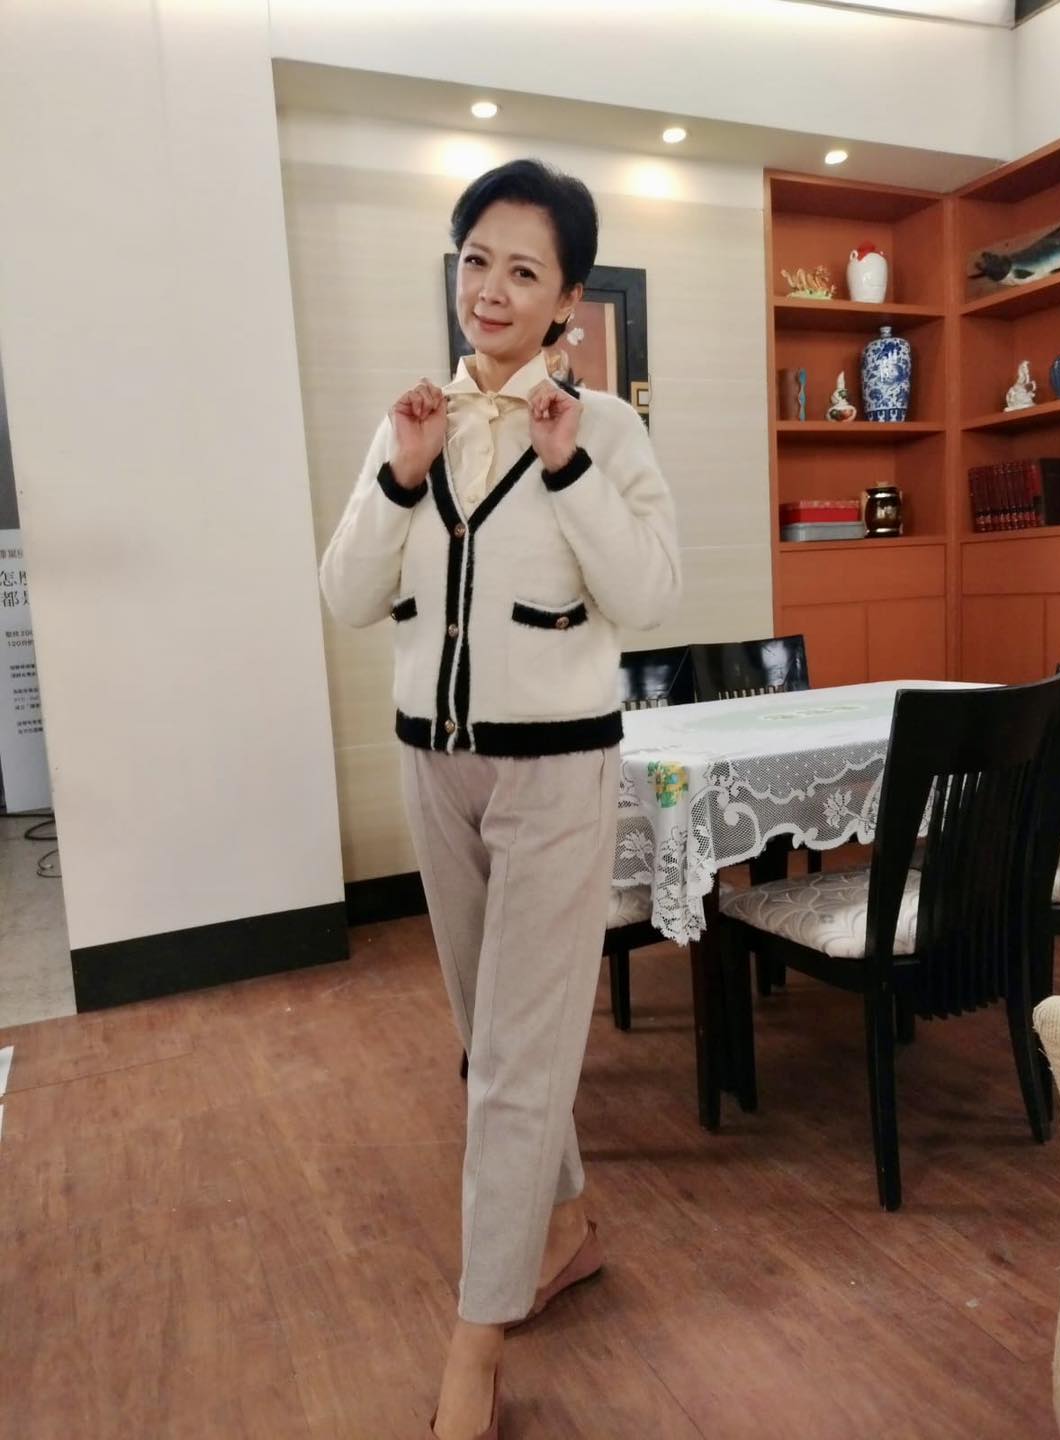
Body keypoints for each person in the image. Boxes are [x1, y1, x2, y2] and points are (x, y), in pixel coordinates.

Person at [319, 158, 680, 1440]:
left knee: (515, 1066)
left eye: (525, 270)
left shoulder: (609, 431)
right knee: (494, 1044)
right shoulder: (410, 422)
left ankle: (477, 1341)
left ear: (568, 299)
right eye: (477, 259)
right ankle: (567, 1227)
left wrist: (571, 469)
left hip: (557, 775)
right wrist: (401, 473)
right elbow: (347, 596)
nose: (492, 287)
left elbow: (649, 596)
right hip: (435, 768)